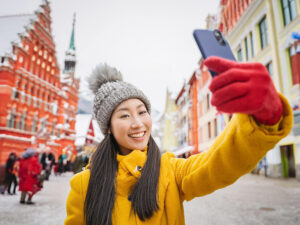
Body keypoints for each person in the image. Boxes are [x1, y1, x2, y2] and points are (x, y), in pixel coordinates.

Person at [64, 57, 293, 225]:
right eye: (124, 115)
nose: (138, 123)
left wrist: (263, 115)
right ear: (109, 128)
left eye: (142, 112)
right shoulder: (84, 185)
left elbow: (218, 164)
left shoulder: (170, 171)